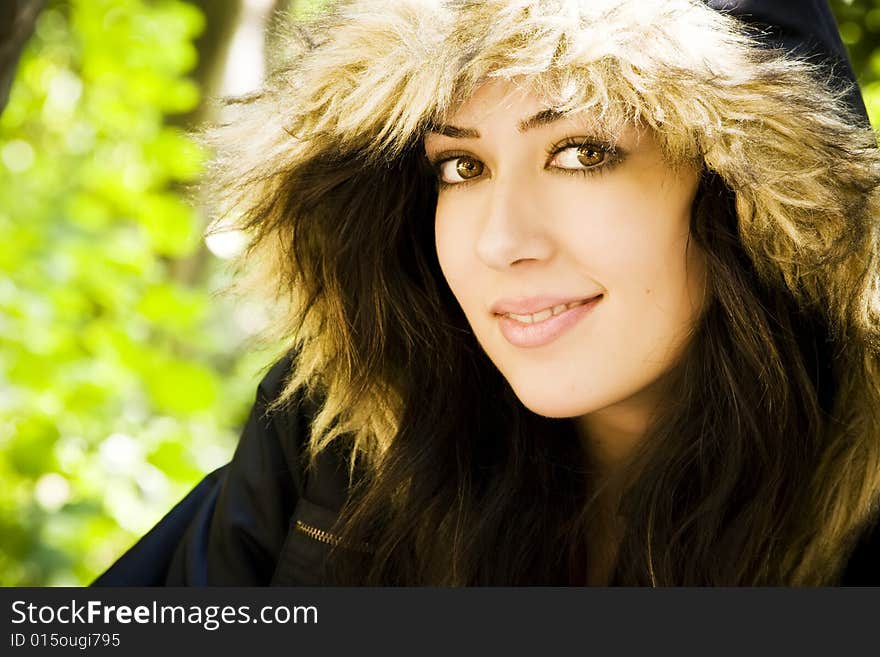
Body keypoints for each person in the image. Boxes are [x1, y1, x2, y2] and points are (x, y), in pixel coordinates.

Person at [94, 0, 880, 586]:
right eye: (460, 167)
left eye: (581, 153)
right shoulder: (342, 436)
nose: (500, 242)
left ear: (746, 193)